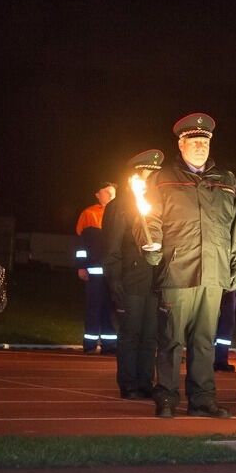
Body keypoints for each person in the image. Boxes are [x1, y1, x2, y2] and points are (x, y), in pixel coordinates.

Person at [137, 113, 236, 418]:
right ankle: (168, 398)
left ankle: (202, 399)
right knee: (171, 340)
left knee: (204, 341)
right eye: (194, 141)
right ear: (181, 143)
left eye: (205, 142)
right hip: (177, 270)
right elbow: (148, 220)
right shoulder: (162, 179)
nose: (201, 146)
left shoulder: (226, 181)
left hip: (213, 273)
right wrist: (150, 245)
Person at [103, 148, 163, 399]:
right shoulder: (120, 206)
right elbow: (112, 246)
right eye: (148, 173)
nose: (151, 178)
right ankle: (128, 384)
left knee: (150, 335)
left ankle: (145, 381)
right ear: (136, 174)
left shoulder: (157, 203)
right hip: (131, 276)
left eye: (155, 174)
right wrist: (115, 280)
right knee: (131, 333)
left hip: (154, 279)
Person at [76, 181, 118, 353]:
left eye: (112, 193)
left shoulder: (121, 214)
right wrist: (81, 266)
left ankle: (110, 345)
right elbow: (80, 244)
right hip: (94, 271)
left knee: (111, 308)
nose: (109, 195)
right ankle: (90, 344)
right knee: (94, 307)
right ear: (97, 195)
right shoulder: (89, 213)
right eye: (106, 192)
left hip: (114, 273)